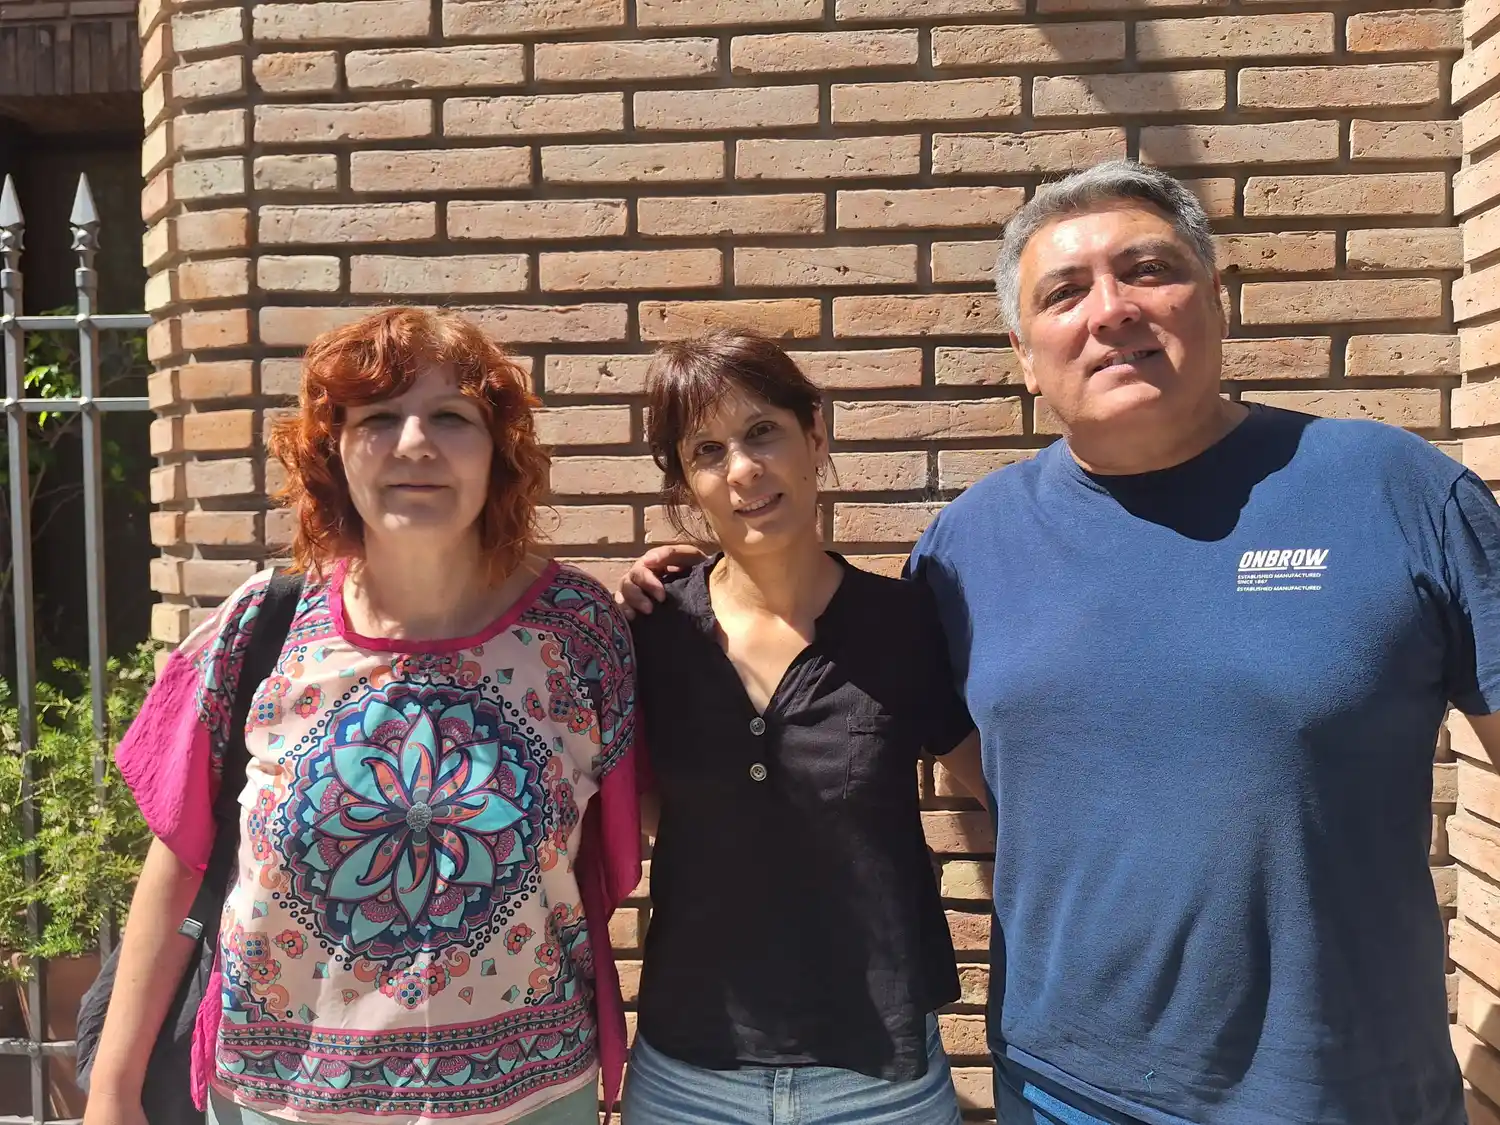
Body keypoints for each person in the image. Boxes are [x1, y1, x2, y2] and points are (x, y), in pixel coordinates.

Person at [617, 160, 1500, 1125]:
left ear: (1217, 295)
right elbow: (1003, 780)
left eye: (1148, 269)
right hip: (1059, 1089)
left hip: (1343, 1092)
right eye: (1065, 292)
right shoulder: (968, 548)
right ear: (1024, 355)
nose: (1111, 310)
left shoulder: (1395, 491)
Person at [85, 308, 641, 1125]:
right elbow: (176, 859)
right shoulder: (262, 627)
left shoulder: (581, 634)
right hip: (278, 1102)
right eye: (378, 417)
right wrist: (110, 1092)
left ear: (499, 451)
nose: (414, 443)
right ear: (333, 450)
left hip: (530, 1101)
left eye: (451, 416)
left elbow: (619, 854)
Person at [618, 332, 986, 1125]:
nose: (743, 470)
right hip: (690, 1080)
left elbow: (1004, 784)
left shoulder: (905, 623)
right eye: (707, 450)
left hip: (878, 1086)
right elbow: (631, 810)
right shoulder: (652, 631)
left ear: (814, 433)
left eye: (762, 432)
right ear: (684, 480)